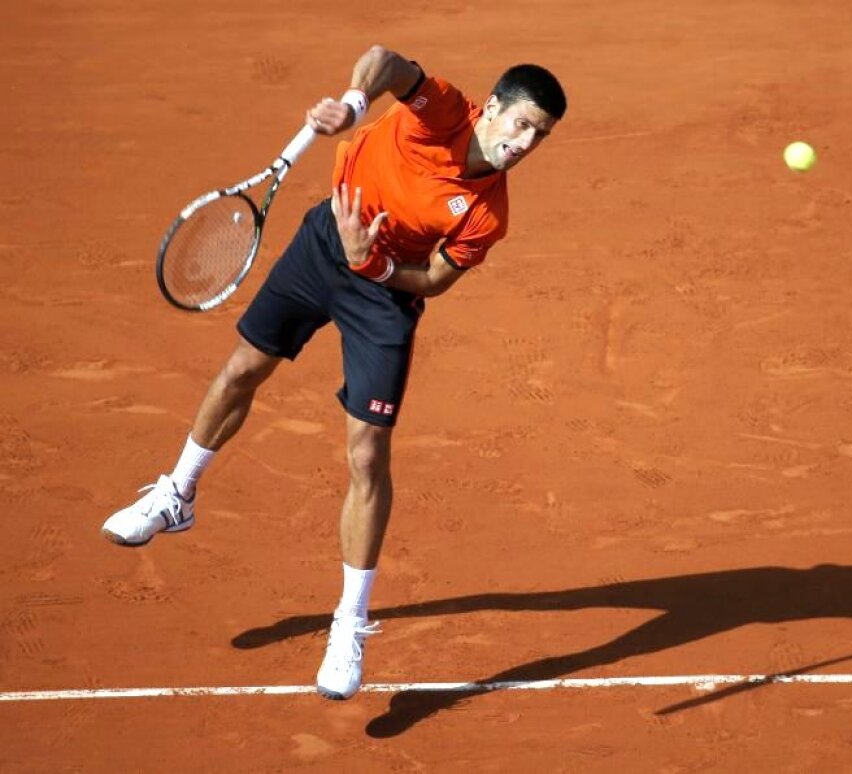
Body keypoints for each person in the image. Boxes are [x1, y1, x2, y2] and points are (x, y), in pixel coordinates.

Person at [101, 44, 567, 701]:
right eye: (520, 123)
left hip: (383, 290)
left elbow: (433, 278)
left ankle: (349, 622)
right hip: (323, 244)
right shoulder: (440, 112)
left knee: (367, 451)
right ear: (490, 108)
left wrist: (374, 267)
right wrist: (353, 103)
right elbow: (384, 62)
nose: (526, 142)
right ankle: (176, 494)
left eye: (540, 135)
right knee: (242, 370)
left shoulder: (490, 213)